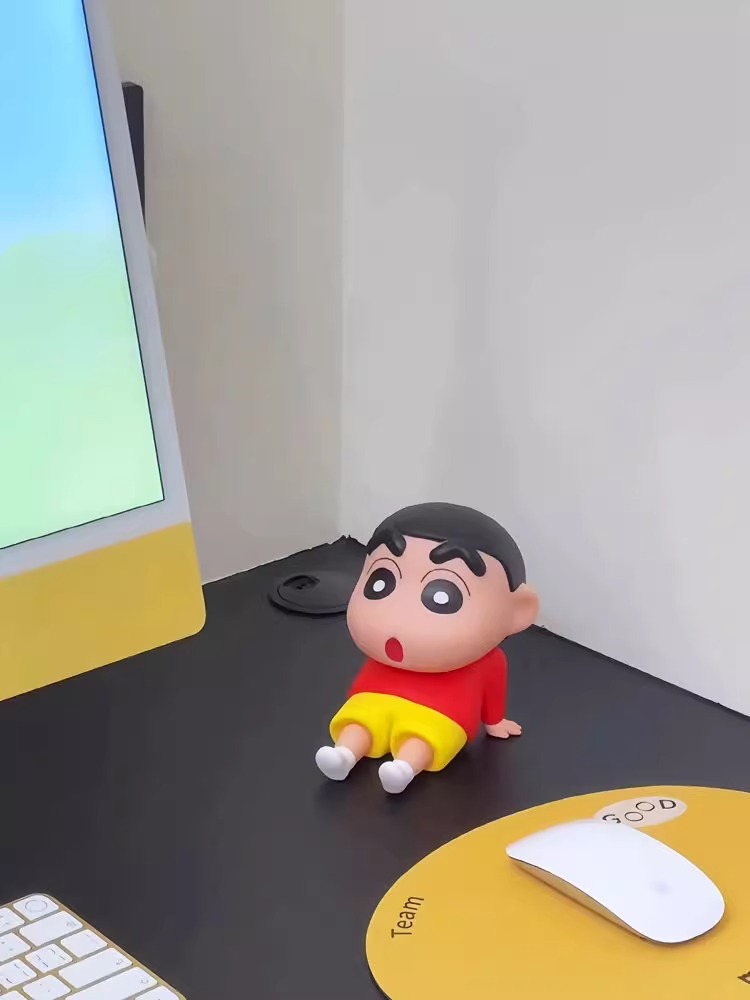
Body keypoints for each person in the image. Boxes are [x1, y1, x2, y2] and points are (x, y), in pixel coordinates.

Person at [315, 502, 539, 794]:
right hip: (374, 698)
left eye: (443, 596)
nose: (398, 615)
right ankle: (343, 755)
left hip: (443, 713)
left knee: (422, 739)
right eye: (381, 582)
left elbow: (493, 689)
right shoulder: (381, 658)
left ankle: (404, 769)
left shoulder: (489, 661)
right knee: (359, 724)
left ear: (517, 612)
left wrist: (494, 722)